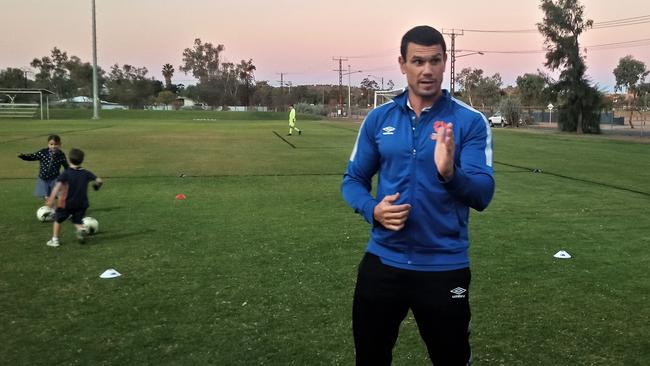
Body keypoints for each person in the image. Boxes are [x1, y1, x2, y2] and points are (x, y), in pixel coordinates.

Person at [341, 25, 495, 365]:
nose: (427, 70)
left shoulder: (469, 122)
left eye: (435, 60)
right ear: (402, 64)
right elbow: (352, 180)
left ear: (445, 62)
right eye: (418, 61)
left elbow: (483, 194)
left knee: (451, 359)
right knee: (370, 357)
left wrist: (450, 173)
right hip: (383, 262)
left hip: (444, 268)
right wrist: (372, 209)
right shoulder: (378, 119)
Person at [46, 148, 103, 247]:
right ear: (82, 160)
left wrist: (51, 199)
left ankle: (55, 240)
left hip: (66, 203)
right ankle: (81, 230)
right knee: (77, 220)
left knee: (58, 219)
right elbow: (99, 180)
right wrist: (96, 186)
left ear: (69, 160)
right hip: (82, 204)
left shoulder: (66, 173)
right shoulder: (86, 173)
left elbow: (57, 186)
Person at [18, 134, 69, 202]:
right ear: (48, 144)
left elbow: (66, 165)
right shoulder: (43, 152)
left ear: (60, 144)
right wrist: (24, 156)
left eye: (56, 144)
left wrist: (70, 174)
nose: (53, 146)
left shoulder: (61, 155)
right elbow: (33, 156)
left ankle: (61, 209)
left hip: (55, 178)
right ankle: (49, 209)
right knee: (46, 196)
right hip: (43, 179)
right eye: (51, 144)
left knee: (57, 194)